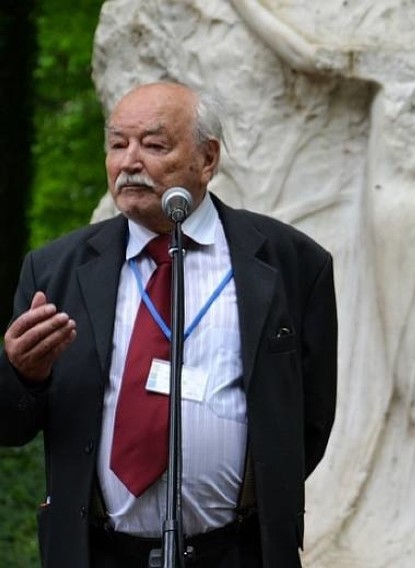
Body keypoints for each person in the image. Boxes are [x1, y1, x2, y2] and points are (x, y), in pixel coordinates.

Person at [0, 82, 338, 567]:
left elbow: (310, 419)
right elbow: (11, 426)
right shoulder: (55, 269)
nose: (130, 162)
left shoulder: (292, 263)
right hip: (98, 553)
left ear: (207, 158)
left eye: (154, 145)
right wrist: (20, 374)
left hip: (238, 551)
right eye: (118, 145)